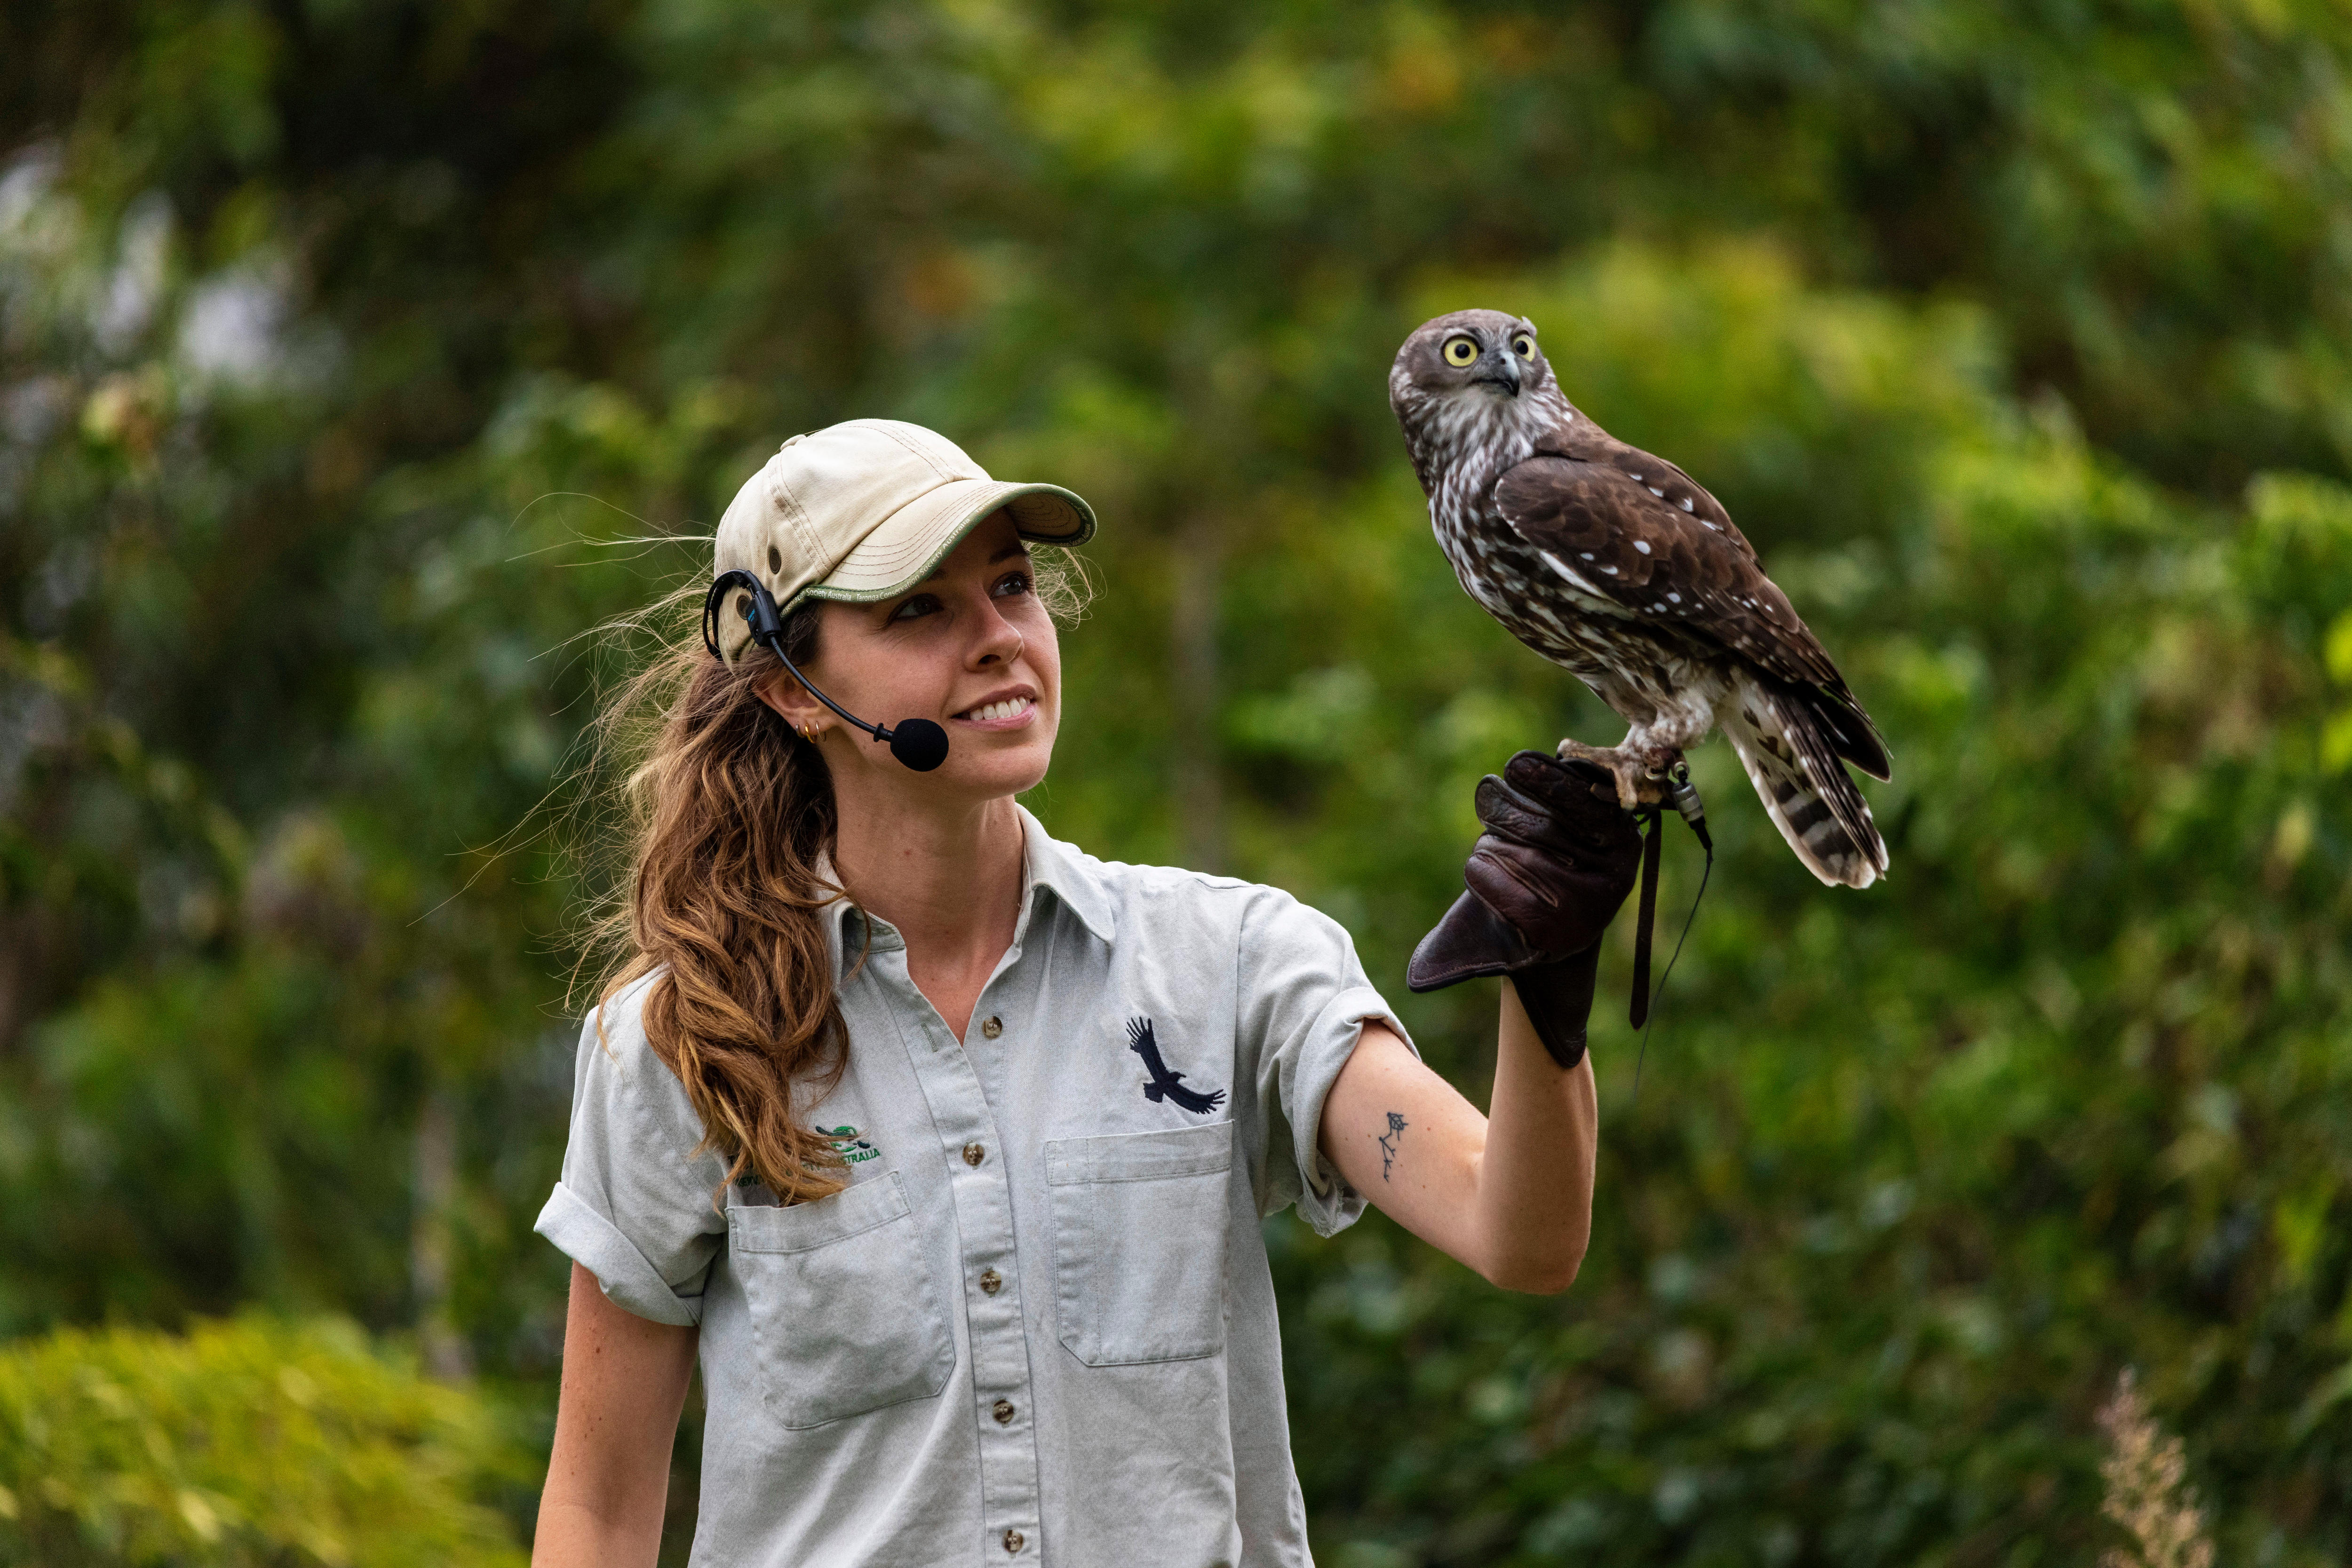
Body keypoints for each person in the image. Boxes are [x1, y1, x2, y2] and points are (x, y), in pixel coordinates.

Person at [530, 420, 1641, 1567]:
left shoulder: (1232, 960)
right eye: (920, 606)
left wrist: (1545, 973)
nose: (1000, 638)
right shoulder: (682, 1037)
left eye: (1011, 585)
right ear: (794, 689)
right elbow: (600, 1511)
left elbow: (1521, 1236)